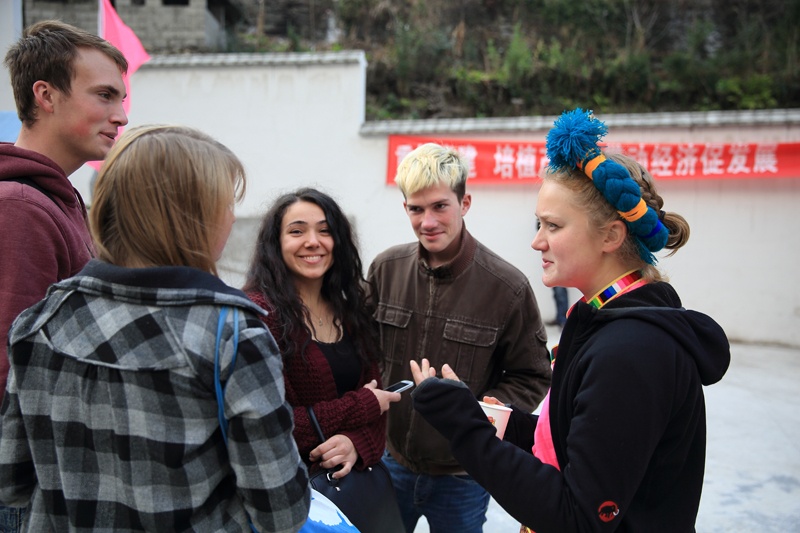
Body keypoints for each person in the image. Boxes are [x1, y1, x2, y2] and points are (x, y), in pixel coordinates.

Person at [408, 109, 731, 532]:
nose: (537, 240)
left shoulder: (630, 353)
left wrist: (466, 429)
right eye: (539, 223)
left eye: (553, 225)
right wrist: (480, 414)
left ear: (611, 236)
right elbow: (565, 440)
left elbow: (576, 517)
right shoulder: (605, 321)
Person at [0, 125, 310, 531]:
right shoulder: (231, 335)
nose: (232, 218)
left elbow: (11, 481)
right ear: (190, 218)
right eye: (225, 204)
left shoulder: (41, 320)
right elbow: (281, 511)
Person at [366, 143, 552, 532]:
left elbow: (533, 375)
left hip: (463, 474)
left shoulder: (507, 287)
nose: (427, 221)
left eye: (439, 206)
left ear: (464, 202)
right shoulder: (386, 269)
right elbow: (364, 350)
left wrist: (481, 409)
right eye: (416, 209)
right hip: (389, 459)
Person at [0, 20, 129, 530]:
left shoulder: (54, 198)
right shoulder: (20, 206)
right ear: (45, 95)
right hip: (28, 487)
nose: (121, 115)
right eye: (104, 95)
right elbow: (12, 371)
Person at [244, 188, 400, 479]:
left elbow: (378, 399)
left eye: (325, 231)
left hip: (351, 489)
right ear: (276, 243)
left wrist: (356, 443)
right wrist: (360, 406)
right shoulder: (259, 316)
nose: (313, 242)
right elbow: (268, 424)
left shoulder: (351, 311)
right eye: (296, 231)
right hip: (288, 493)